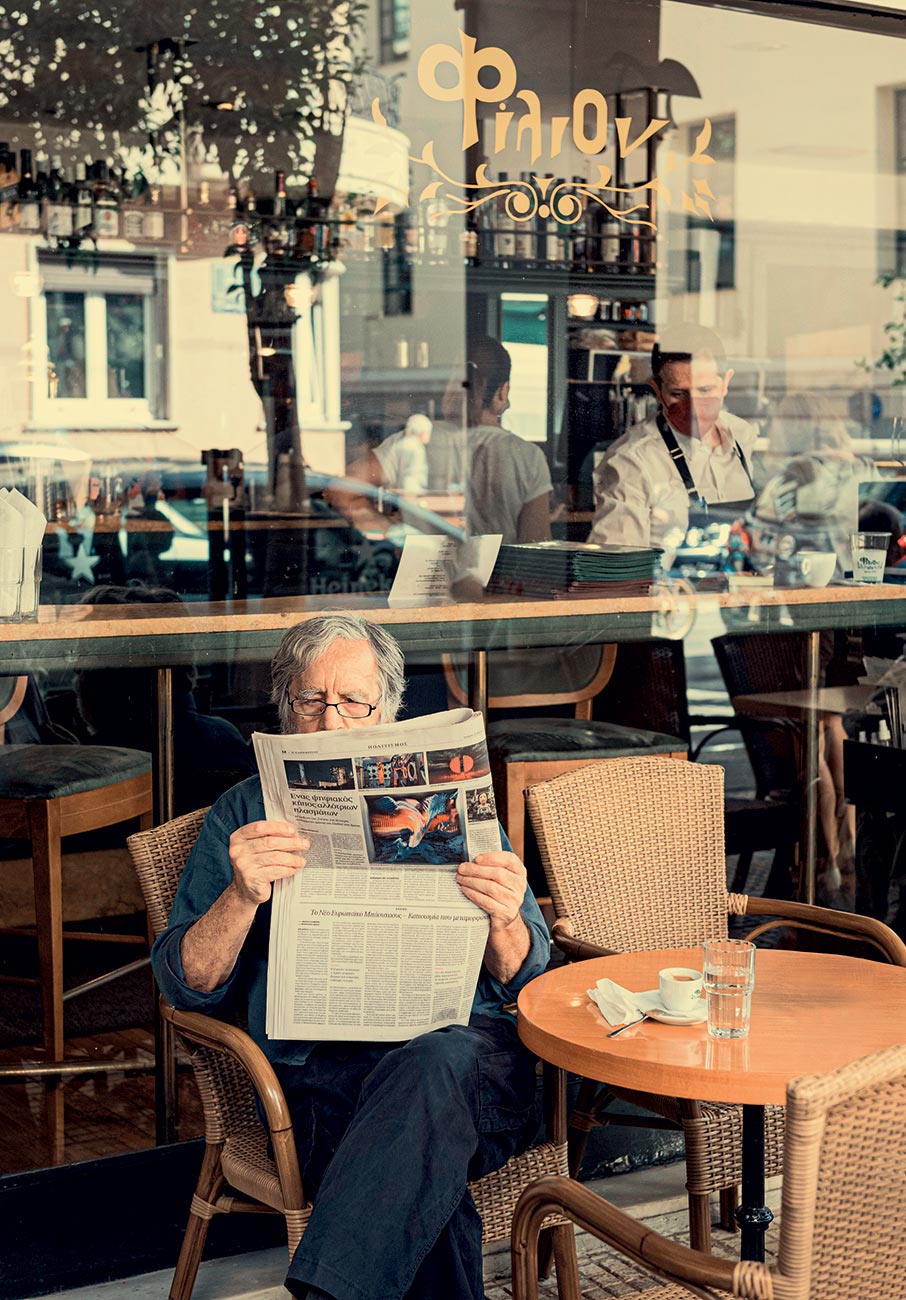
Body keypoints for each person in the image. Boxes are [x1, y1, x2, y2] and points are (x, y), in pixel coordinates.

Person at [150, 613, 550, 1300]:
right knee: (419, 1178)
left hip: (473, 1065)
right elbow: (187, 984)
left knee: (433, 1062)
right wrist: (241, 896)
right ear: (285, 707)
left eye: (353, 702)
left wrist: (505, 917)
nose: (331, 721)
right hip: (327, 1083)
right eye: (311, 700)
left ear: (388, 710)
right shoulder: (243, 814)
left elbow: (528, 974)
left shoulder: (450, 801)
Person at [342, 338, 552, 545]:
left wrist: (391, 531)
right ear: (502, 392)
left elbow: (342, 490)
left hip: (422, 567)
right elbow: (536, 545)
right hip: (497, 569)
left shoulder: (413, 440)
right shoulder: (528, 457)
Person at [588, 323, 757, 562]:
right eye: (678, 394)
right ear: (657, 390)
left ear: (725, 383)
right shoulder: (631, 462)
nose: (694, 408)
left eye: (705, 390)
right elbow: (615, 567)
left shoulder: (742, 437)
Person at [748, 391, 877, 579]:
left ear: (783, 434)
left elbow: (761, 555)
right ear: (834, 426)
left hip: (801, 587)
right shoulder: (864, 471)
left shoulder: (783, 486)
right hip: (860, 584)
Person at [377, 412, 432, 496]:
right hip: (410, 492)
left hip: (396, 490)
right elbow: (413, 474)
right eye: (428, 432)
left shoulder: (400, 444)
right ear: (422, 431)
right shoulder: (416, 448)